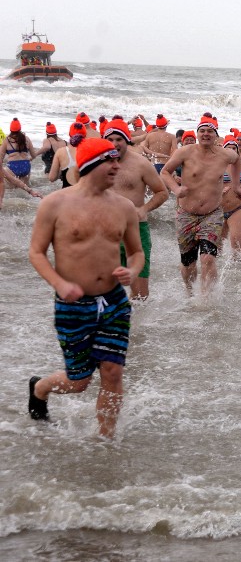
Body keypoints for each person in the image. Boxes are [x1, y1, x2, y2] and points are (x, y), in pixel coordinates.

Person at [27, 138, 144, 439]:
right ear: (92, 164)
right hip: (72, 306)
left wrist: (131, 271)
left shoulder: (125, 207)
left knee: (112, 371)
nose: (118, 166)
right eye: (111, 161)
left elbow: (136, 253)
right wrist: (60, 283)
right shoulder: (55, 203)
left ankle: (106, 440)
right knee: (79, 382)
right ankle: (40, 388)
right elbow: (37, 252)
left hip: (114, 302)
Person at [159, 114, 241, 297]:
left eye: (210, 131)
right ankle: (190, 293)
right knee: (188, 264)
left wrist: (236, 186)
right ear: (197, 134)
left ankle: (206, 299)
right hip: (186, 214)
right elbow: (165, 172)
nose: (206, 134)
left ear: (216, 135)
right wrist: (175, 189)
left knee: (207, 258)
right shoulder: (185, 152)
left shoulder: (225, 154)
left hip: (212, 214)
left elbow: (237, 161)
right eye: (202, 131)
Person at [104, 117, 169, 299]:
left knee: (140, 294)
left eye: (119, 140)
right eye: (110, 139)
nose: (115, 144)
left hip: (136, 230)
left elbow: (162, 192)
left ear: (127, 140)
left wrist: (144, 209)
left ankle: (138, 327)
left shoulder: (141, 164)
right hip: (106, 231)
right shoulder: (97, 164)